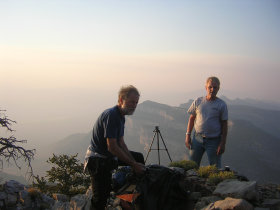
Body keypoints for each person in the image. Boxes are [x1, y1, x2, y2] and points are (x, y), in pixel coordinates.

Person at [84, 85, 146, 210]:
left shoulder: (121, 116)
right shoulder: (112, 115)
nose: (134, 105)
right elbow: (112, 147)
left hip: (108, 157)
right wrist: (134, 165)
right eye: (131, 102)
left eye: (136, 102)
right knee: (100, 198)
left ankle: (128, 197)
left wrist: (134, 162)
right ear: (120, 100)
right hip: (98, 160)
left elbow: (121, 143)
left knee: (138, 157)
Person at [185, 76, 228, 169]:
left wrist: (222, 143)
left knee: (215, 168)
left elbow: (224, 124)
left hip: (214, 141)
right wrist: (187, 135)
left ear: (218, 89)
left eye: (215, 87)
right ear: (206, 88)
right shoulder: (198, 101)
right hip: (197, 139)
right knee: (192, 167)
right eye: (210, 87)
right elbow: (191, 118)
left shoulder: (221, 105)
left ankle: (215, 183)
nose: (212, 89)